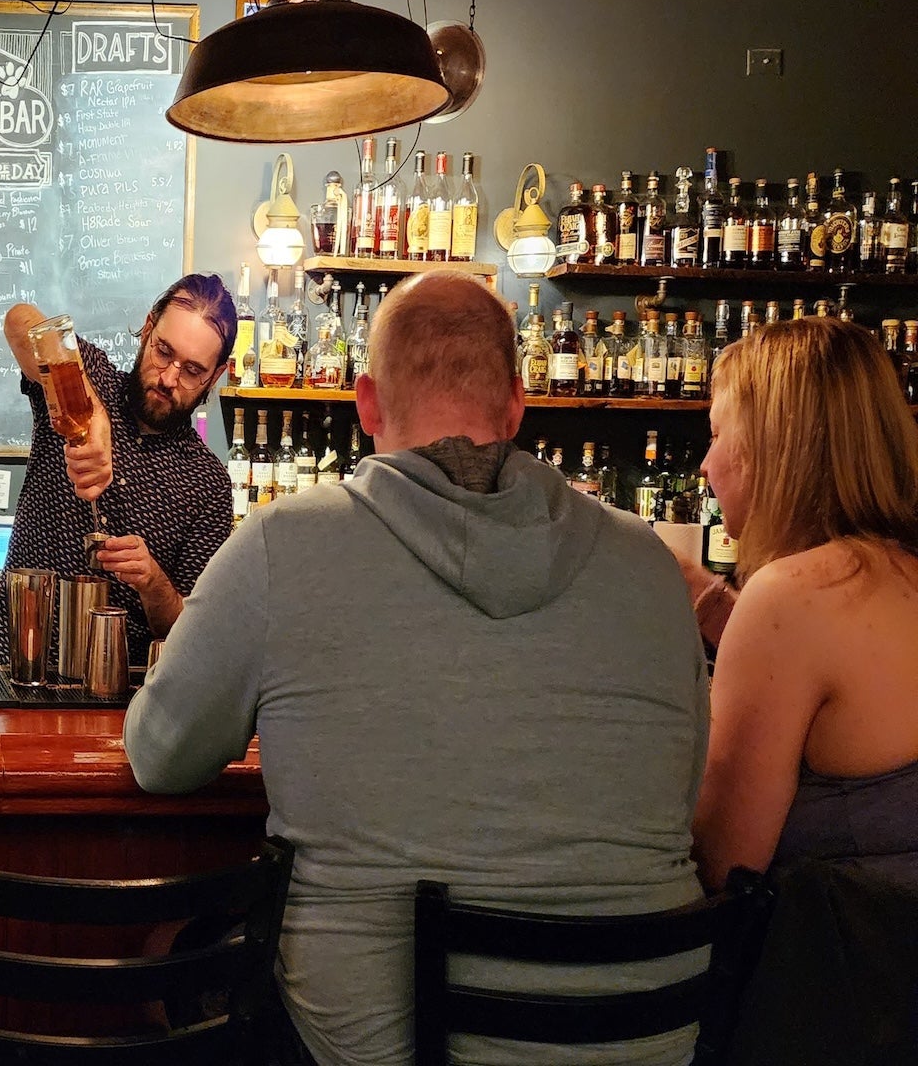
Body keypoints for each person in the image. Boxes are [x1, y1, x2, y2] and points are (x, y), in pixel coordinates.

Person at [124, 272, 708, 1066]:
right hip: (646, 1039)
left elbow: (159, 757)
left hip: (370, 1050)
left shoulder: (281, 545)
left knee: (174, 952)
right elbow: (685, 793)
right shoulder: (653, 569)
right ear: (515, 406)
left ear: (366, 404)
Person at [689, 317, 918, 892]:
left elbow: (720, 862)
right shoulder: (892, 572)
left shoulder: (795, 595)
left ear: (773, 446)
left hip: (840, 968)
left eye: (716, 435)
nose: (706, 465)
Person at [0, 275, 236, 665]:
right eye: (163, 352)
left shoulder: (208, 483)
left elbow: (190, 632)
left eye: (192, 371)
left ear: (215, 376)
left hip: (112, 685)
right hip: (8, 658)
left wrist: (152, 581)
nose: (169, 378)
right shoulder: (93, 376)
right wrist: (89, 407)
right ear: (147, 329)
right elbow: (20, 322)